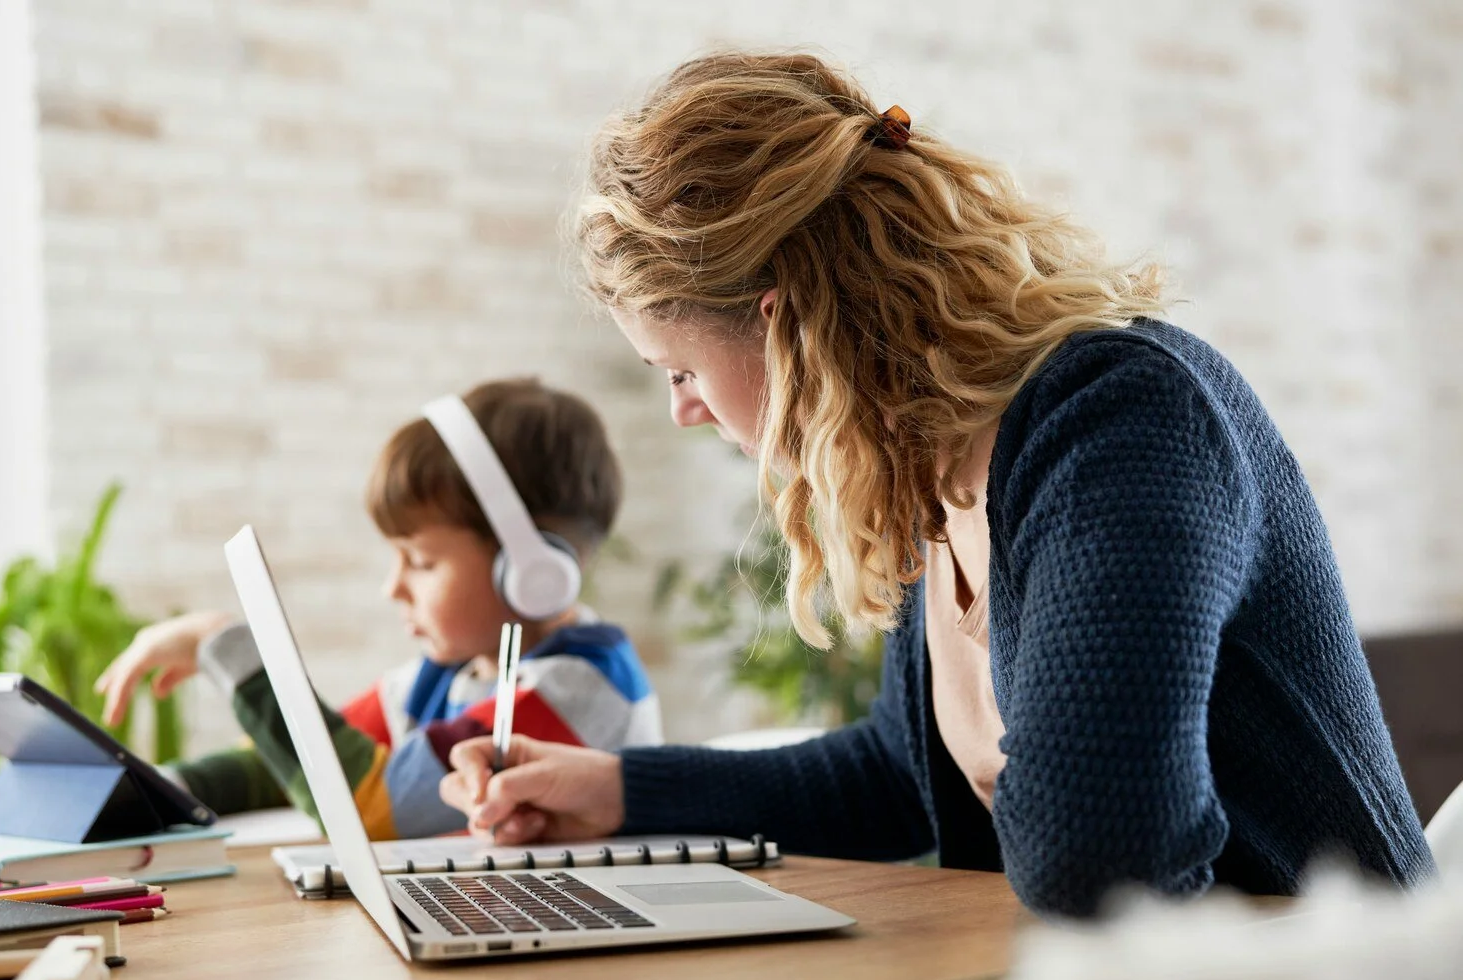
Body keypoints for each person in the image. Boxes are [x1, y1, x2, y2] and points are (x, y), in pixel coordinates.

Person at [439, 51, 1435, 918]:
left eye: (680, 370)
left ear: (784, 325)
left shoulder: (1123, 420)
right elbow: (902, 776)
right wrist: (612, 791)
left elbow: (1101, 851)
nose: (684, 411)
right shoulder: (934, 465)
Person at [96, 378, 661, 840]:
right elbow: (306, 761)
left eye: (420, 561)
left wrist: (221, 643)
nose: (392, 588)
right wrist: (142, 791)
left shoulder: (579, 689)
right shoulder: (444, 675)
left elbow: (370, 808)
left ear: (531, 570)